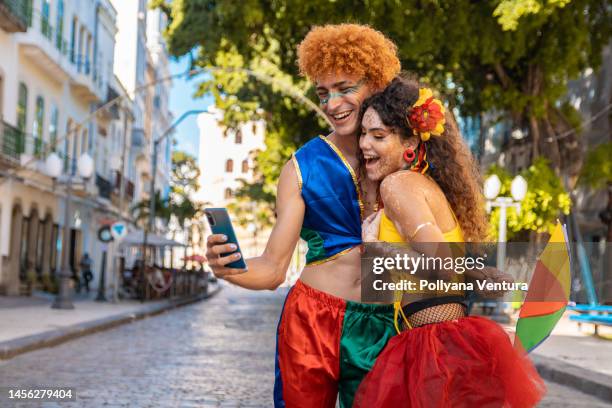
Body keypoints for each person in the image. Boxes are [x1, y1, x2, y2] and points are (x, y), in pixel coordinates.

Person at [207, 24, 402, 407]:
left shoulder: (411, 155)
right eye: (323, 93)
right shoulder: (300, 167)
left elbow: (443, 248)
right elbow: (274, 268)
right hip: (311, 321)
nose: (332, 104)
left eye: (346, 88)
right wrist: (230, 267)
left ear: (377, 84)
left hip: (387, 323)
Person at [353, 76, 545, 407]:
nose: (364, 144)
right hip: (441, 343)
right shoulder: (421, 186)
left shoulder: (397, 185)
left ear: (410, 143)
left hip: (434, 349)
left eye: (378, 135)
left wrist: (378, 250)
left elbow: (440, 266)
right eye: (363, 133)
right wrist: (476, 274)